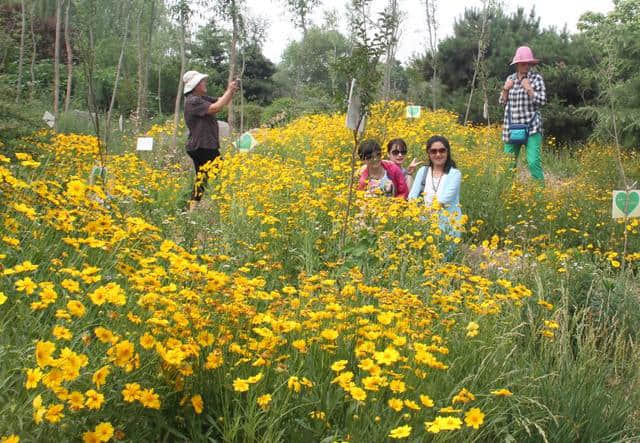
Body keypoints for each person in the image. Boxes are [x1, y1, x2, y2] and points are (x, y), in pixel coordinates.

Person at [182, 70, 239, 209]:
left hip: (200, 146)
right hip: (203, 146)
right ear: (195, 85)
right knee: (222, 174)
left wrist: (231, 91)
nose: (205, 83)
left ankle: (191, 210)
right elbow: (216, 107)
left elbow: (221, 101)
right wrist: (229, 90)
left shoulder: (201, 98)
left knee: (202, 179)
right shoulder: (193, 101)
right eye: (202, 82)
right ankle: (224, 207)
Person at [500, 46, 547, 181]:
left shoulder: (536, 79)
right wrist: (505, 89)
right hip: (512, 128)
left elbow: (543, 101)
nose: (526, 66)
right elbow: (502, 102)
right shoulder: (510, 78)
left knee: (533, 163)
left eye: (528, 63)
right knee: (507, 165)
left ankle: (540, 198)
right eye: (523, 63)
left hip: (532, 128)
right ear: (517, 64)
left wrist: (529, 89)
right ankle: (508, 197)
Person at [408, 135, 462, 238]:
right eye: (434, 151)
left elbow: (444, 199)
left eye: (442, 151)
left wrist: (424, 213)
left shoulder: (454, 174)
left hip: (448, 226)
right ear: (428, 153)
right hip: (424, 225)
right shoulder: (422, 171)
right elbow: (412, 197)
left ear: (447, 152)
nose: (438, 154)